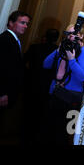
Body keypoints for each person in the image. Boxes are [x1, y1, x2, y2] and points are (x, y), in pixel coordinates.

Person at [42, 24, 84, 145]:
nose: (72, 37)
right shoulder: (62, 49)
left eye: (75, 34)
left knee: (66, 135)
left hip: (72, 99)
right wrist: (58, 51)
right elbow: (46, 64)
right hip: (55, 95)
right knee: (49, 132)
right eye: (69, 34)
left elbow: (82, 76)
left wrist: (72, 59)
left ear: (81, 36)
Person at [23, 28, 59, 143]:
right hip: (47, 89)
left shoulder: (34, 47)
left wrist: (28, 75)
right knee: (41, 118)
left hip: (32, 86)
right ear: (56, 39)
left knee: (28, 116)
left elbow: (23, 62)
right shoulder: (58, 51)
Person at [0, 11, 30, 144]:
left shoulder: (15, 40)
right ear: (11, 23)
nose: (25, 26)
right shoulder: (5, 39)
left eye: (27, 24)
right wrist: (2, 93)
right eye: (22, 22)